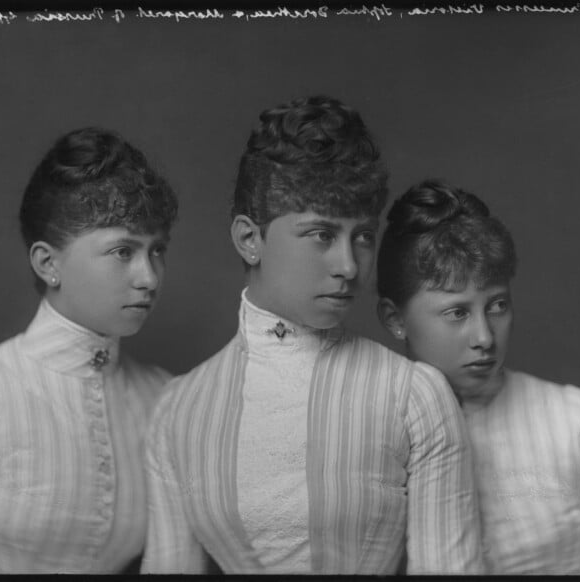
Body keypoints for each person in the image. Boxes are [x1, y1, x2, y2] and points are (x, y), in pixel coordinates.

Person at [141, 96, 483, 575]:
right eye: (322, 235)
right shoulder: (179, 410)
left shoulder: (413, 395)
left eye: (362, 236)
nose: (348, 266)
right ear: (249, 238)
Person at [0, 127, 178, 574]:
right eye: (122, 251)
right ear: (48, 263)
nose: (149, 277)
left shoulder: (168, 401)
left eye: (157, 251)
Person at [375, 179, 580, 575]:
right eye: (457, 312)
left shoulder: (575, 421)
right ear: (394, 319)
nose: (484, 337)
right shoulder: (367, 432)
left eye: (497, 306)